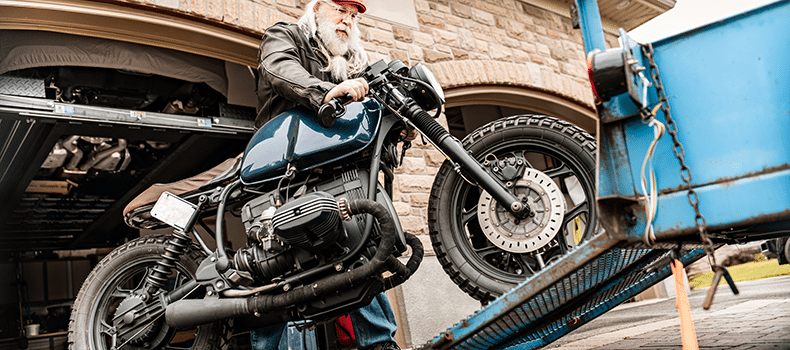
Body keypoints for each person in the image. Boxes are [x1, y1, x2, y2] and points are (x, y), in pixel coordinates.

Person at [249, 1, 401, 350]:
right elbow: (280, 67)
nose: (347, 20)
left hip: (324, 176)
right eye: (340, 9)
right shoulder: (286, 35)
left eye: (353, 14)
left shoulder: (349, 63)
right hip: (279, 172)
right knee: (276, 268)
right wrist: (324, 93)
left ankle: (378, 343)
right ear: (317, 7)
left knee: (357, 246)